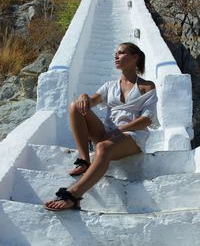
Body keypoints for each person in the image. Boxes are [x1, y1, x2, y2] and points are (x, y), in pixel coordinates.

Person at [44, 42, 158, 211]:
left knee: (103, 147)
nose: (116, 56)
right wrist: (83, 97)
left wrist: (120, 130)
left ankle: (74, 195)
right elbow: (91, 101)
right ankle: (84, 160)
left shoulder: (147, 86)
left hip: (132, 136)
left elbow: (147, 119)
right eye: (116, 53)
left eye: (121, 53)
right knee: (75, 106)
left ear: (135, 57)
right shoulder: (109, 86)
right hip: (108, 134)